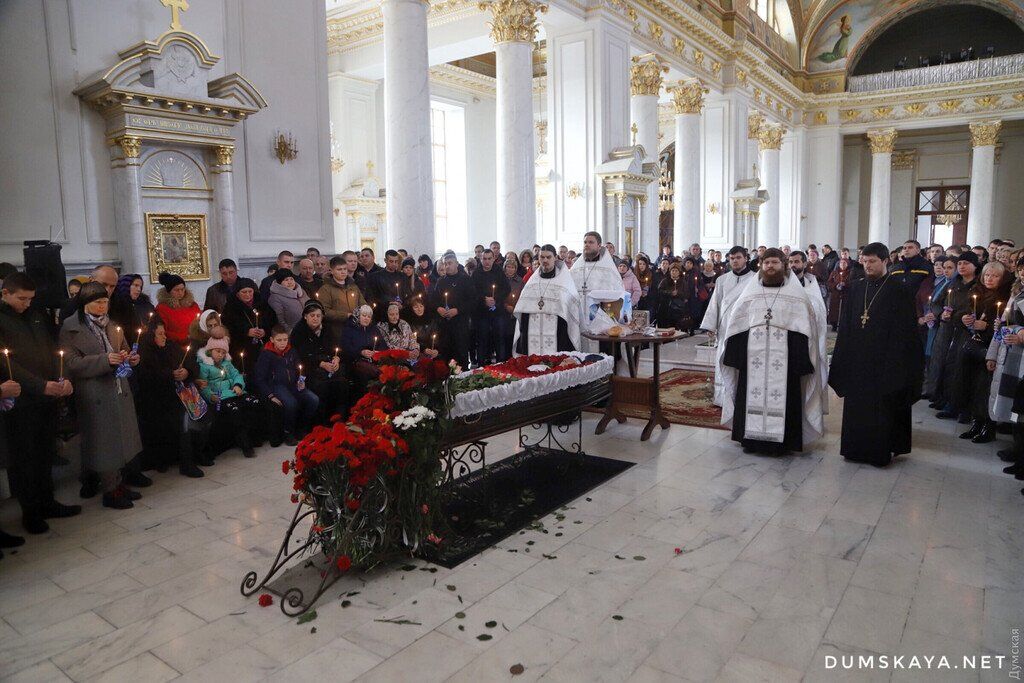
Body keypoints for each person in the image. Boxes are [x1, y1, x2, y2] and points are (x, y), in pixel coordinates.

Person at [719, 249, 825, 455]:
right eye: (766, 262)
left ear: (784, 265)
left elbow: (805, 331)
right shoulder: (750, 295)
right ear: (760, 264)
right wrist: (737, 356)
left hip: (786, 365)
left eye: (775, 262)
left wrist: (798, 360)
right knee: (749, 395)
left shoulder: (797, 297)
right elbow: (736, 327)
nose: (770, 267)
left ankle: (783, 443)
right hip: (752, 362)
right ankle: (750, 440)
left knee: (787, 398)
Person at [829, 243, 924, 467]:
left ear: (884, 261)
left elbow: (906, 331)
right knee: (857, 407)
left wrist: (897, 362)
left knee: (882, 408)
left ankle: (880, 451)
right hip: (857, 359)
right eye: (864, 261)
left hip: (885, 361)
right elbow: (846, 325)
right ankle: (854, 449)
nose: (867, 265)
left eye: (872, 261)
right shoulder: (854, 288)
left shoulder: (899, 290)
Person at [0, 272, 78, 533]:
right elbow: (8, 364)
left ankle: (48, 503)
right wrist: (40, 385)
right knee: (25, 459)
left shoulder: (37, 315)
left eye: (30, 299)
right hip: (21, 402)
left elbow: (55, 348)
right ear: (5, 293)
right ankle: (30, 512)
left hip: (48, 395)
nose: (26, 303)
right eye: (21, 298)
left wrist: (62, 377)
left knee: (46, 453)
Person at [60, 282, 143, 509]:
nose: (102, 306)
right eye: (98, 302)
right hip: (95, 392)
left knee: (121, 439)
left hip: (118, 387)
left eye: (105, 302)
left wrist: (131, 357)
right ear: (86, 304)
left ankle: (118, 483)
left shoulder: (112, 324)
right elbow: (71, 363)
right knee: (105, 442)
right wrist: (104, 360)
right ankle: (109, 491)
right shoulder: (71, 328)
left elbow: (123, 347)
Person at [136, 321, 210, 478]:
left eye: (164, 333)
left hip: (180, 395)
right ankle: (186, 463)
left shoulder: (172, 346)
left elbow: (190, 363)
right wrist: (170, 375)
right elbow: (146, 378)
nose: (164, 337)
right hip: (158, 400)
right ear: (150, 337)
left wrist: (186, 372)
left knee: (198, 414)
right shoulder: (144, 353)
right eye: (160, 334)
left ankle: (198, 453)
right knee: (182, 419)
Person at [955, 261, 1011, 443]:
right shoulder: (976, 292)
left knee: (987, 389)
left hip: (991, 349)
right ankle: (976, 422)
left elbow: (1005, 325)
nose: (990, 278)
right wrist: (963, 319)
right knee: (973, 386)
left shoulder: (1005, 297)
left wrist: (986, 326)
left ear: (1002, 279)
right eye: (987, 274)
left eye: (995, 276)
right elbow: (962, 313)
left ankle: (989, 426)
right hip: (973, 346)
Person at [699, 246, 755, 406]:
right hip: (725, 327)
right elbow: (715, 303)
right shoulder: (722, 280)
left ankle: (743, 397)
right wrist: (711, 325)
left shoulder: (755, 279)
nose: (735, 261)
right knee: (724, 360)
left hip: (746, 327)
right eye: (732, 258)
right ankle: (723, 398)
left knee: (743, 362)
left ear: (746, 258)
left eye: (738, 257)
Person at [933, 253, 981, 419]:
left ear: (975, 266)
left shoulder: (979, 285)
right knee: (950, 365)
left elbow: (975, 308)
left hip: (968, 332)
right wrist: (941, 315)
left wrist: (957, 316)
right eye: (959, 263)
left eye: (966, 263)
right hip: (950, 329)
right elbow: (937, 303)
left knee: (963, 369)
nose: (961, 266)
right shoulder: (954, 283)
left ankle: (963, 407)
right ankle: (949, 403)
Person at [254, 325, 319, 446]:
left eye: (285, 339)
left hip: (294, 384)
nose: (283, 343)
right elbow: (260, 378)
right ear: (272, 340)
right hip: (276, 385)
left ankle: (302, 428)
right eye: (279, 340)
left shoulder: (291, 351)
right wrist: (270, 395)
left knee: (313, 399)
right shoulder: (266, 354)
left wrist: (301, 379)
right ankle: (287, 432)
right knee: (291, 403)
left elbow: (300, 367)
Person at [196, 336, 259, 458]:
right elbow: (204, 386)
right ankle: (244, 443)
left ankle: (254, 436)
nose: (220, 355)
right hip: (220, 397)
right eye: (217, 351)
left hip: (234, 392)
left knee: (254, 402)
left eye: (223, 352)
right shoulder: (204, 366)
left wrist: (238, 385)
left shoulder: (227, 363)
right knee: (235, 410)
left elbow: (237, 375)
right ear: (210, 351)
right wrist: (211, 396)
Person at [512, 244, 581, 355]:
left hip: (558, 334)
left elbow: (570, 309)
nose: (545, 260)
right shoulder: (532, 282)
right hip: (532, 334)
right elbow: (523, 311)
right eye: (542, 257)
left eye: (548, 257)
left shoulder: (564, 282)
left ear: (555, 258)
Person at [989, 257, 1024, 472]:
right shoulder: (1018, 293)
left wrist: (1020, 335)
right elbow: (1011, 321)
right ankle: (1018, 450)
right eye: (1021, 270)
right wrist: (1003, 326)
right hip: (1014, 357)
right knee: (1016, 407)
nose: (1023, 274)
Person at [290, 300, 348, 422]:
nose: (315, 318)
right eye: (312, 316)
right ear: (305, 316)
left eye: (318, 316)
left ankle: (339, 418)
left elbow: (336, 348)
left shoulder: (326, 328)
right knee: (322, 386)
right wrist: (321, 364)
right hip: (309, 368)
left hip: (328, 364)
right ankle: (322, 422)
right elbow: (301, 356)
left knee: (342, 383)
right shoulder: (298, 332)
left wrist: (336, 358)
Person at [571, 231, 625, 352]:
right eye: (585, 242)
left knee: (603, 354)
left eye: (591, 242)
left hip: (601, 320)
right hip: (579, 318)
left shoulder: (608, 269)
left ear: (599, 246)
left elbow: (618, 295)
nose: (587, 245)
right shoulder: (576, 268)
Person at [221, 277, 275, 372]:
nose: (248, 295)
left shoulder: (262, 303)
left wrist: (265, 331)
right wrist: (246, 331)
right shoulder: (230, 306)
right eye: (244, 292)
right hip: (241, 347)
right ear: (237, 293)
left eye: (250, 291)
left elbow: (272, 320)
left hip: (262, 346)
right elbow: (228, 326)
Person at [432, 254, 475, 368]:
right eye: (445, 264)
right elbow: (434, 299)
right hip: (445, 326)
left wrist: (458, 310)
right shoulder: (441, 281)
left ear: (456, 263)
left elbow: (472, 300)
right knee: (446, 355)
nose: (447, 266)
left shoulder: (465, 279)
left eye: (450, 263)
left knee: (461, 355)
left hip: (460, 324)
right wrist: (438, 308)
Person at [472, 249, 511, 365]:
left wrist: (496, 299)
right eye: (484, 259)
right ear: (480, 259)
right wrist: (484, 299)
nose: (487, 262)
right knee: (482, 340)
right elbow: (472, 292)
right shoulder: (476, 273)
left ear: (493, 259)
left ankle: (501, 365)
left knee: (500, 338)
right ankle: (480, 366)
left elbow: (506, 289)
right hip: (482, 312)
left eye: (489, 259)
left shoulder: (499, 271)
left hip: (498, 311)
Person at [319, 255, 366, 340]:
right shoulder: (326, 289)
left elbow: (362, 303)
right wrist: (346, 315)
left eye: (345, 269)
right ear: (332, 271)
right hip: (337, 331)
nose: (343, 272)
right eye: (339, 269)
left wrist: (365, 312)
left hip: (356, 328)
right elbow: (324, 311)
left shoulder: (353, 286)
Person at [341, 304, 385, 392]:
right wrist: (361, 352)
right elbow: (345, 348)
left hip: (374, 361)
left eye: (369, 316)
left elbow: (383, 346)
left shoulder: (374, 329)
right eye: (364, 315)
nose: (366, 318)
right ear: (358, 315)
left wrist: (377, 352)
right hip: (356, 362)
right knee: (368, 376)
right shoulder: (349, 329)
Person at [155, 272, 201, 347]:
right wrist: (184, 337)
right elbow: (163, 331)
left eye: (182, 289)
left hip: (195, 344)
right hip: (174, 347)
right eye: (176, 290)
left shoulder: (192, 304)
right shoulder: (162, 308)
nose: (180, 293)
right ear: (169, 291)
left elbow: (200, 321)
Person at [367, 250, 406, 322]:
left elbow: (404, 294)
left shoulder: (402, 276)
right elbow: (373, 296)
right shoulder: (376, 277)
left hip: (399, 313)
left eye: (396, 261)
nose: (394, 264)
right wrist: (388, 302)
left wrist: (402, 304)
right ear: (385, 260)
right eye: (391, 261)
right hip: (382, 314)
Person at [267, 268, 309, 333]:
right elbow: (280, 319)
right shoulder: (275, 298)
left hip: (309, 329)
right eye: (286, 280)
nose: (290, 282)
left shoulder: (301, 291)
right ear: (279, 283)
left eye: (291, 279)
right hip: (292, 333)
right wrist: (290, 332)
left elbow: (311, 306)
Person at [657, 262, 693, 332]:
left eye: (676, 271)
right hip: (666, 308)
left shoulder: (683, 282)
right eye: (672, 271)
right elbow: (660, 291)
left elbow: (687, 294)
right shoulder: (665, 281)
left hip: (678, 309)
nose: (674, 272)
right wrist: (670, 293)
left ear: (679, 272)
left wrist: (678, 293)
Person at [403, 295, 440, 361]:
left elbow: (436, 337)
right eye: (416, 307)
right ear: (412, 308)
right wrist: (424, 349)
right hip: (417, 353)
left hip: (431, 351)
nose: (419, 309)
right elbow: (411, 341)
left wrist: (436, 350)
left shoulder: (431, 320)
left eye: (421, 306)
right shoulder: (409, 323)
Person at [501, 257, 524, 360]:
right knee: (503, 337)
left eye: (512, 267)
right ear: (505, 268)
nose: (510, 269)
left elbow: (523, 296)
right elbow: (498, 295)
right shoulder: (500, 279)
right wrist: (506, 306)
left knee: (513, 337)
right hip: (502, 312)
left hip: (515, 313)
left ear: (516, 269)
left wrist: (515, 307)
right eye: (508, 267)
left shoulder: (520, 281)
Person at [825, 257, 852, 331]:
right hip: (835, 294)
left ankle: (842, 325)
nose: (842, 264)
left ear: (847, 264)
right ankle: (834, 325)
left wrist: (845, 284)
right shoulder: (834, 272)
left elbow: (852, 282)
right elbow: (829, 282)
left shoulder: (850, 273)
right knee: (834, 311)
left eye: (844, 263)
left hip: (845, 294)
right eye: (841, 263)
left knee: (844, 310)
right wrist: (836, 285)